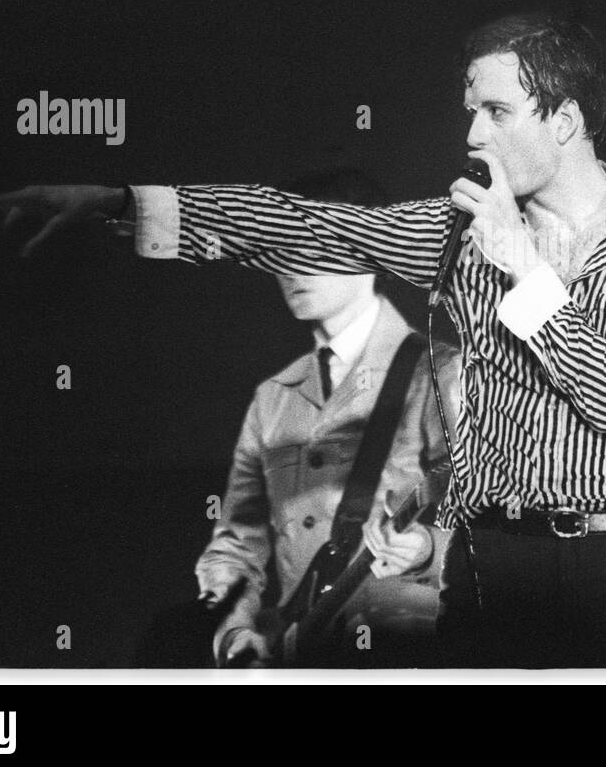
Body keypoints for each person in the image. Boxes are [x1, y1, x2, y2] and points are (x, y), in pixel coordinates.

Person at [0, 12, 606, 668]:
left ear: (564, 121)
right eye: (469, 110)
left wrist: (517, 260)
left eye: (495, 110)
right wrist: (123, 204)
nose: (471, 134)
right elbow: (307, 223)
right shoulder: (453, 235)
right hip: (494, 564)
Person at [194, 169, 462, 668]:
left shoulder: (440, 375)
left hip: (404, 656)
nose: (288, 267)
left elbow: (495, 529)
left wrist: (428, 548)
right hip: (301, 655)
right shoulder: (273, 398)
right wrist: (234, 632)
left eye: (307, 245)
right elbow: (236, 545)